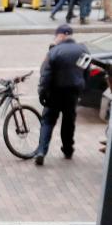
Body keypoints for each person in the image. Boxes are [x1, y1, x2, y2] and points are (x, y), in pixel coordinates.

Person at [33, 24, 88, 166]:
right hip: (72, 93)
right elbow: (85, 72)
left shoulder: (54, 51)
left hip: (54, 93)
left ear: (61, 35)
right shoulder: (82, 49)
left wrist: (42, 92)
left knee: (48, 122)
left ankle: (41, 151)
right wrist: (81, 88)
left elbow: (45, 74)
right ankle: (68, 149)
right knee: (68, 122)